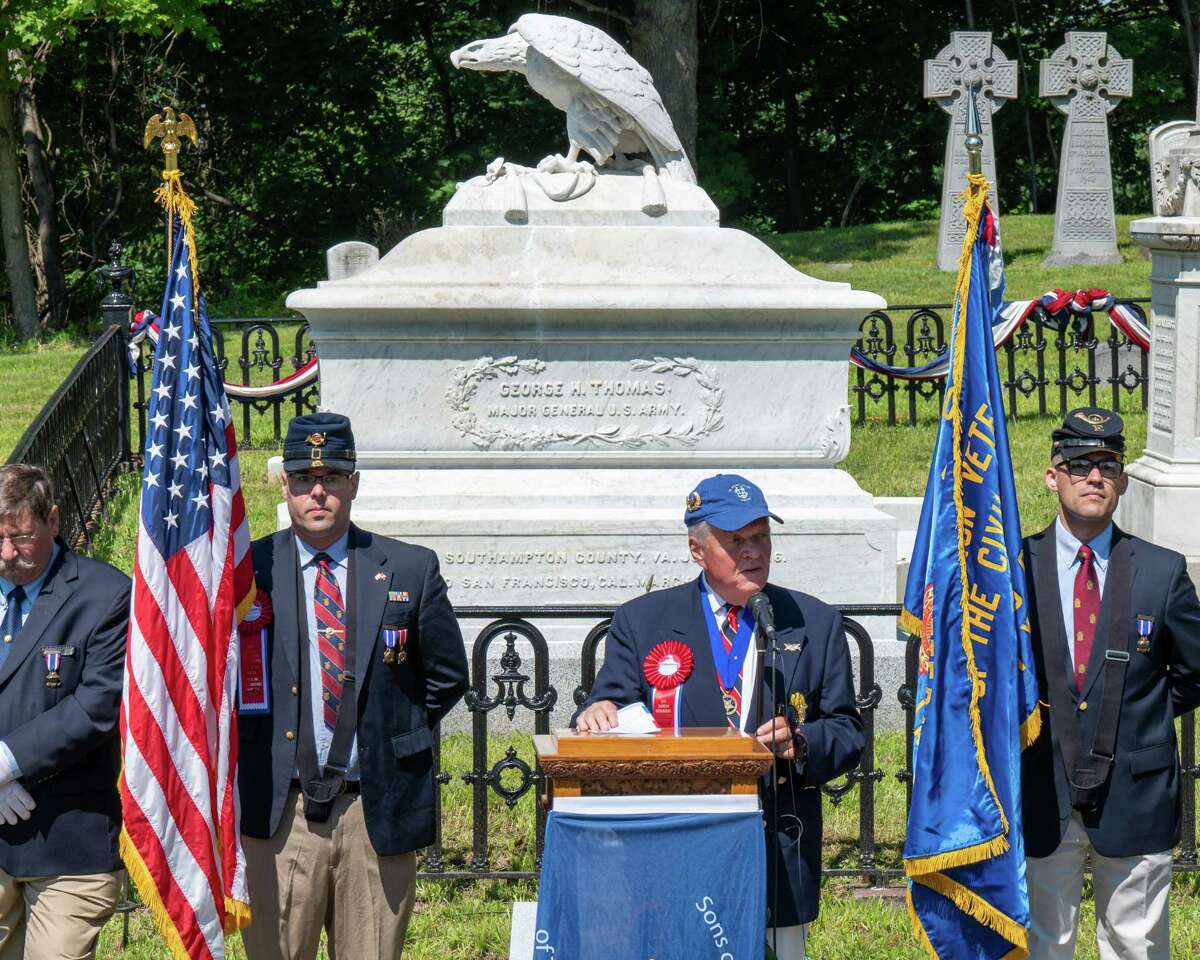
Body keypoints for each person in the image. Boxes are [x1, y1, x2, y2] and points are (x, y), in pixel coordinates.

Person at [575, 473, 864, 958]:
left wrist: (802, 742)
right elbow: (609, 705)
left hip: (773, 846)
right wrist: (599, 709)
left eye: (761, 538)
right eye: (737, 542)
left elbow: (848, 731)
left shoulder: (813, 622)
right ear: (697, 549)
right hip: (672, 845)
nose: (754, 552)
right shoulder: (642, 620)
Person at [238, 412, 470, 960]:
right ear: (285, 485)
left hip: (374, 809)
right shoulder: (249, 570)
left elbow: (446, 675)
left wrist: (388, 724)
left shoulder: (410, 568)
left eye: (332, 478)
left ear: (354, 483)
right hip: (280, 813)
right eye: (302, 479)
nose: (317, 492)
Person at [1021, 407, 1200, 960]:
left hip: (1135, 792)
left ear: (1122, 480)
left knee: (1135, 945)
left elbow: (1193, 672)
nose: (1093, 476)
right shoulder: (1012, 569)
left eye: (1106, 464)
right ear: (1053, 476)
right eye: (1078, 464)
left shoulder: (1161, 571)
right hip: (1039, 788)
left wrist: (1131, 715)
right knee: (1046, 942)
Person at [0, 464, 130, 958]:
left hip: (67, 845)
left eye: (22, 538)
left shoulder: (103, 594)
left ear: (53, 520)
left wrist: (7, 763)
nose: (8, 554)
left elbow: (95, 706)